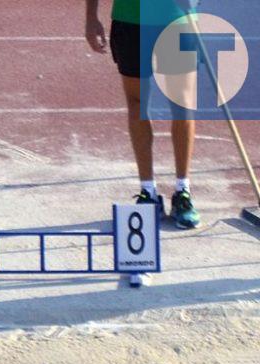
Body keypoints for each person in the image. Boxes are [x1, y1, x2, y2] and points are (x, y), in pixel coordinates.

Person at [85, 0, 201, 228]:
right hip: (131, 19)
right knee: (138, 105)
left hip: (176, 19)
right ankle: (148, 191)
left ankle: (182, 192)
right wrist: (91, 17)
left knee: (182, 105)